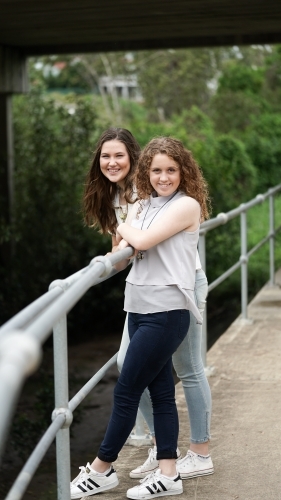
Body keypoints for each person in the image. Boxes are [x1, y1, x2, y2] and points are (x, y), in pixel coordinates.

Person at [70, 136, 210, 499]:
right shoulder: (145, 204)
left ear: (184, 172)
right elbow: (127, 239)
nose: (163, 177)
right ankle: (168, 473)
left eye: (171, 170)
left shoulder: (187, 206)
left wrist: (126, 228)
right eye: (157, 170)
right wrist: (128, 229)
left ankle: (102, 468)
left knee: (127, 388)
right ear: (146, 172)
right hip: (138, 306)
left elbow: (139, 242)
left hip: (166, 311)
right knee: (160, 391)